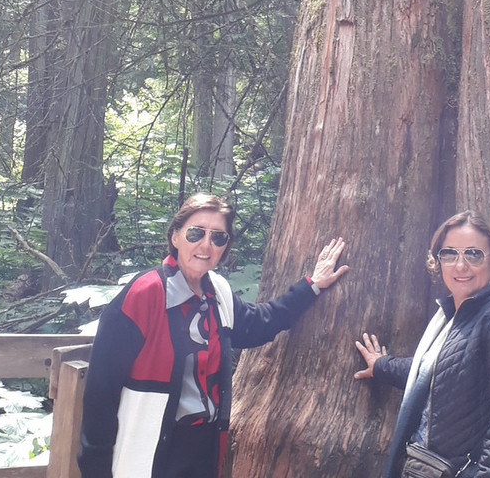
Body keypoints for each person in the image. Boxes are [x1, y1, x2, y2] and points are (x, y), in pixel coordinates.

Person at [78, 193, 348, 478]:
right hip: (153, 450)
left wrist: (312, 286)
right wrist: (95, 470)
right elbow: (100, 393)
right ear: (175, 236)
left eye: (218, 237)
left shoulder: (217, 292)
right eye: (196, 233)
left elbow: (261, 323)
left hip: (205, 448)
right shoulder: (145, 294)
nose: (206, 245)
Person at [354, 211, 490, 478]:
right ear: (438, 261)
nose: (460, 265)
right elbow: (437, 371)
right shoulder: (453, 317)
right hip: (424, 466)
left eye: (474, 254)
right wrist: (381, 366)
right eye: (450, 254)